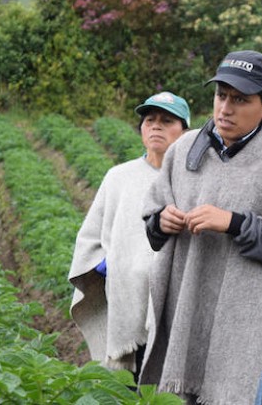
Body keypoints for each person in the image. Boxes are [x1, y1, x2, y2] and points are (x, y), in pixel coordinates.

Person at [139, 50, 262, 404]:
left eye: (240, 100)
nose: (225, 108)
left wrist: (235, 223)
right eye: (221, 95)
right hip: (188, 317)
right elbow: (152, 224)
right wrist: (161, 221)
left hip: (248, 330)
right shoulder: (184, 150)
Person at [68, 91, 191, 383]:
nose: (156, 126)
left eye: (167, 120)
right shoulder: (119, 177)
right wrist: (107, 265)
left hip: (179, 302)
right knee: (133, 383)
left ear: (185, 131)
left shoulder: (194, 180)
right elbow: (90, 238)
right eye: (150, 120)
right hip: (128, 300)